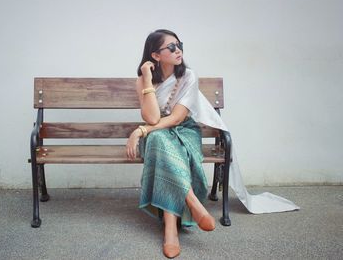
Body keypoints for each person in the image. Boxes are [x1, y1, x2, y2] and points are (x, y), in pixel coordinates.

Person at [126, 29, 299, 259]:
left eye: (179, 45)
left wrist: (141, 131)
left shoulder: (188, 76)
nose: (178, 50)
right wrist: (147, 80)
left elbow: (176, 118)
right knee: (158, 139)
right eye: (171, 47)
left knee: (157, 140)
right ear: (156, 55)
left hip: (184, 131)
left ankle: (171, 231)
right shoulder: (142, 81)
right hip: (158, 132)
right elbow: (153, 118)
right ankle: (193, 203)